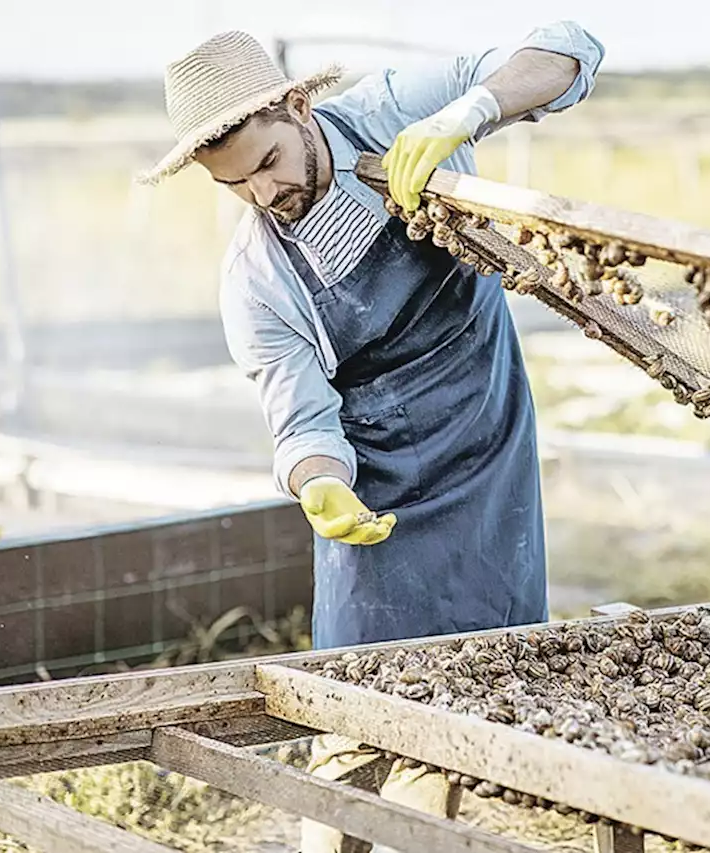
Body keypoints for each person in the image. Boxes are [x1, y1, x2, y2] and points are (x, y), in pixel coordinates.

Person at [136, 22, 604, 853]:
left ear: (296, 104)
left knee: (474, 675)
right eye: (234, 185)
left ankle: (423, 822)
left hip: (484, 423)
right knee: (357, 690)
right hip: (373, 469)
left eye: (270, 163)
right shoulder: (256, 278)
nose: (262, 194)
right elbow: (300, 410)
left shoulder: (391, 111)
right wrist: (318, 481)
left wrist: (469, 113)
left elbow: (569, 52)